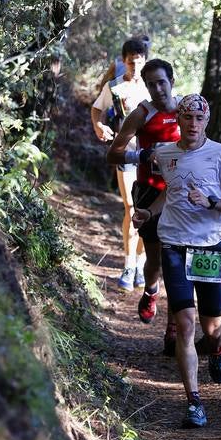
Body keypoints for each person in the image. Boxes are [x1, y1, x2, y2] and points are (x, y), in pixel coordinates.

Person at [133, 94, 221, 429]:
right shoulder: (165, 153)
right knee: (185, 323)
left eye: (199, 119)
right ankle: (194, 402)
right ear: (178, 121)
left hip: (209, 247)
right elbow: (171, 191)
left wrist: (212, 202)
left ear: (206, 121)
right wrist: (148, 211)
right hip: (174, 245)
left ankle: (217, 347)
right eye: (187, 118)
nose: (193, 124)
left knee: (212, 327)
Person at [107, 58, 181, 355]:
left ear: (172, 81)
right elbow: (113, 155)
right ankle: (151, 290)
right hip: (149, 193)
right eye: (151, 84)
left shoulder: (188, 111)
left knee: (178, 264)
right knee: (156, 259)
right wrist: (143, 155)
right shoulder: (140, 114)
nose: (157, 89)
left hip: (180, 195)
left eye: (161, 82)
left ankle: (174, 329)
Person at [91, 38, 149, 290]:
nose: (134, 68)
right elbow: (97, 109)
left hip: (151, 156)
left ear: (144, 60)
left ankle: (141, 263)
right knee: (130, 207)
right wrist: (99, 126)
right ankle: (128, 265)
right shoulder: (114, 87)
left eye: (138, 63)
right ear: (122, 61)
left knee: (147, 210)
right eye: (130, 63)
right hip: (125, 153)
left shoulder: (153, 86)